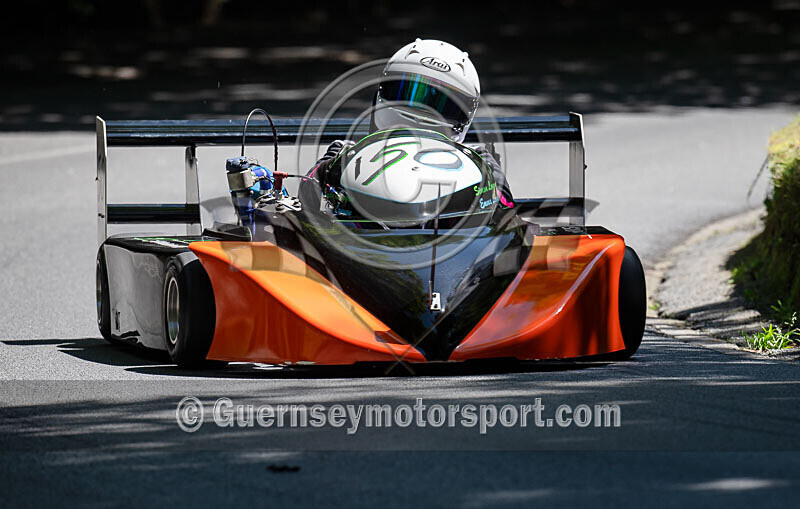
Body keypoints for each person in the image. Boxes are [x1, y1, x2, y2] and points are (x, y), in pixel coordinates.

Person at [308, 38, 514, 210]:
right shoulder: (345, 152)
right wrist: (332, 169)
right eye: (408, 93)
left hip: (452, 251)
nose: (422, 110)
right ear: (383, 92)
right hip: (355, 248)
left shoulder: (478, 160)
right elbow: (305, 197)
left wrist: (477, 187)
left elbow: (505, 208)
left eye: (441, 103)